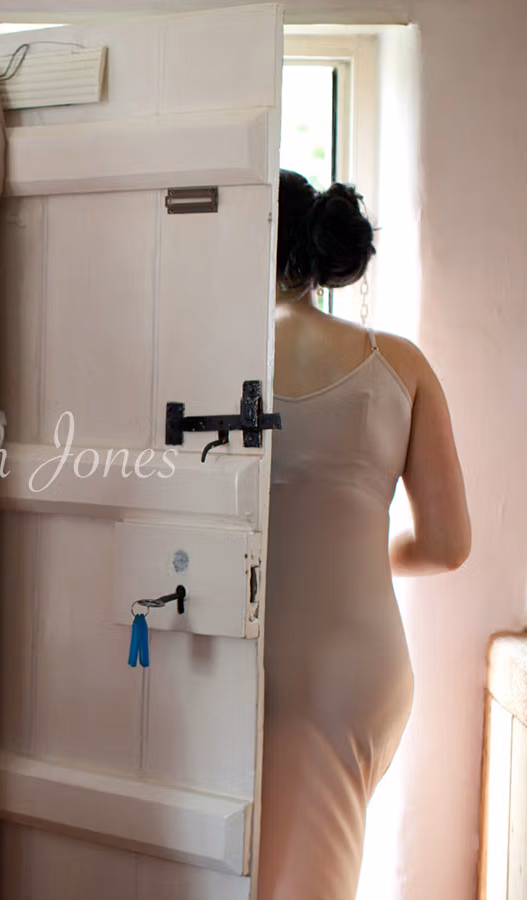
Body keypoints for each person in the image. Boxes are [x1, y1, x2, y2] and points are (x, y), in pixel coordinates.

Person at [257, 169, 471, 900]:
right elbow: (446, 544)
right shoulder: (401, 364)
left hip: (268, 660)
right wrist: (356, 552)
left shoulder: (221, 361)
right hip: (363, 666)